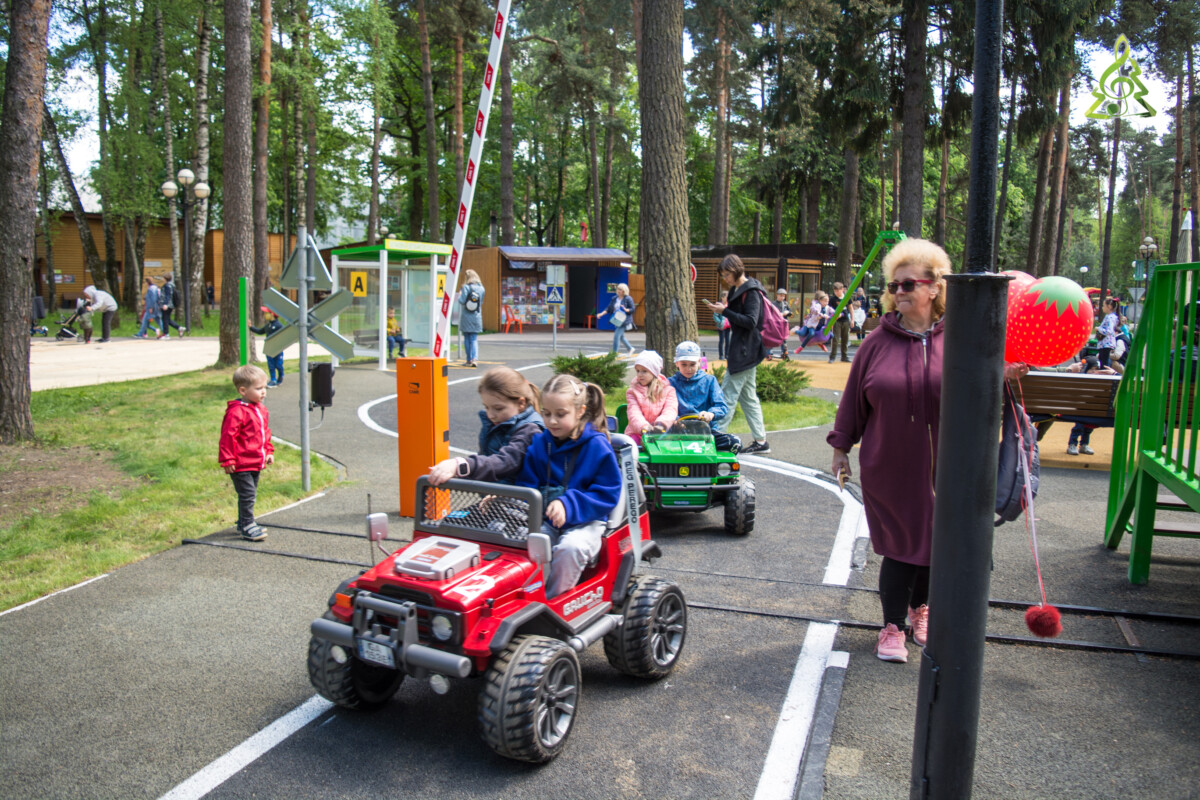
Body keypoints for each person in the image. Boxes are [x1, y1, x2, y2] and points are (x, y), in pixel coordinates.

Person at [826, 238, 950, 664]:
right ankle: (892, 625)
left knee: (934, 542)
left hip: (942, 468)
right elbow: (853, 402)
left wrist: (1003, 373)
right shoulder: (877, 342)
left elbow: (979, 391)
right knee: (900, 545)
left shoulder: (958, 341)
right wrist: (841, 448)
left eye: (909, 283)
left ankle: (923, 610)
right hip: (888, 465)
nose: (900, 291)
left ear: (934, 288)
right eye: (895, 285)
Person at [513, 374, 621, 598]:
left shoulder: (597, 445)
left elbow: (607, 493)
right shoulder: (540, 444)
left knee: (570, 548)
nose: (552, 421)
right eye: (546, 413)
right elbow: (527, 485)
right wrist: (508, 499)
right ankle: (528, 598)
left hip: (587, 521)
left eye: (560, 415)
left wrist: (567, 504)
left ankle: (553, 604)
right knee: (526, 541)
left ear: (580, 411)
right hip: (547, 521)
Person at [428, 367, 545, 485]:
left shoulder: (530, 429)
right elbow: (485, 459)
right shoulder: (496, 424)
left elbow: (505, 462)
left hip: (521, 499)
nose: (491, 415)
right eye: (486, 407)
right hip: (499, 495)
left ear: (521, 403)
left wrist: (462, 466)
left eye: (498, 408)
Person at [704, 254, 770, 455]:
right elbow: (736, 319)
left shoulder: (752, 291)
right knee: (748, 397)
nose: (725, 279)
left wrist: (724, 311)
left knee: (727, 395)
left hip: (745, 351)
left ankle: (714, 437)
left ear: (735, 270)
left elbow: (751, 321)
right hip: (744, 350)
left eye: (726, 274)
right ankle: (761, 441)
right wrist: (722, 310)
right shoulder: (737, 290)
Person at [219, 364, 275, 542]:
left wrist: (268, 450)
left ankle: (244, 522)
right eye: (258, 389)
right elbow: (228, 436)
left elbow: (264, 432)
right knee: (248, 494)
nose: (263, 392)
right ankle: (247, 525)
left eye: (264, 387)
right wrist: (227, 459)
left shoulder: (260, 409)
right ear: (243, 390)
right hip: (241, 463)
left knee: (250, 493)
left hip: (255, 462)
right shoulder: (237, 412)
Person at [668, 340, 740, 452]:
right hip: (678, 432)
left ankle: (718, 468)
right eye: (684, 364)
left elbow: (721, 406)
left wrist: (711, 413)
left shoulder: (709, 381)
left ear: (699, 362)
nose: (688, 369)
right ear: (677, 363)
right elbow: (664, 408)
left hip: (706, 432)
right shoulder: (670, 383)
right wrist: (673, 420)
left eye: (692, 364)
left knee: (735, 443)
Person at [624, 350, 678, 444]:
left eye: (644, 371)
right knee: (631, 446)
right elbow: (633, 413)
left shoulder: (668, 390)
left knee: (667, 449)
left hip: (661, 432)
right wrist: (643, 427)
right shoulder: (632, 391)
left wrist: (661, 424)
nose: (640, 374)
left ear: (654, 372)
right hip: (638, 432)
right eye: (638, 371)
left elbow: (670, 410)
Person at [596, 282, 636, 357]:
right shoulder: (614, 298)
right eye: (618, 289)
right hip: (617, 320)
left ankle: (614, 354)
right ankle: (630, 348)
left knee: (616, 336)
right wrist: (601, 314)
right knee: (621, 337)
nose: (618, 291)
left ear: (624, 291)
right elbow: (609, 308)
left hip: (624, 320)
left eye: (620, 289)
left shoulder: (628, 298)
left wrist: (627, 310)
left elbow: (633, 309)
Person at [249, 307, 285, 387]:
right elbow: (260, 331)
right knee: (271, 364)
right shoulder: (268, 325)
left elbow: (283, 336)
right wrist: (251, 327)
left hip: (277, 348)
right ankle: (273, 379)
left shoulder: (278, 325)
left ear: (272, 314)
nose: (265, 315)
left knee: (278, 364)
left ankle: (281, 376)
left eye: (266, 313)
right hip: (269, 348)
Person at [457, 269, 485, 367]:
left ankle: (468, 359)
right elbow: (480, 303)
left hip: (466, 315)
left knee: (467, 338)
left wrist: (460, 294)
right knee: (474, 338)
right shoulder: (481, 288)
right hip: (476, 316)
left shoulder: (466, 287)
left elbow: (461, 301)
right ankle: (475, 359)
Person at [828, 281, 852, 363]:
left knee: (845, 339)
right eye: (835, 291)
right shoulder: (832, 299)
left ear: (842, 289)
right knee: (835, 339)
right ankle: (832, 356)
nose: (837, 293)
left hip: (845, 320)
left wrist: (852, 319)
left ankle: (844, 356)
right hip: (836, 321)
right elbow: (829, 310)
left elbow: (850, 308)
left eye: (838, 290)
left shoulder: (847, 297)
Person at [769, 287, 793, 360]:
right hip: (776, 324)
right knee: (773, 338)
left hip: (783, 325)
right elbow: (770, 314)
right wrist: (780, 314)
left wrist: (788, 312)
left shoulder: (785, 304)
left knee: (784, 339)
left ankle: (784, 352)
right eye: (781, 295)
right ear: (777, 295)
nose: (782, 297)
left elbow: (790, 313)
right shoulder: (773, 304)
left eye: (783, 296)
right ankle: (769, 353)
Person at [1097, 297, 1120, 368]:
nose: (1102, 307)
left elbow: (1109, 331)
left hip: (1106, 345)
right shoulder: (1111, 317)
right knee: (1104, 364)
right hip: (1106, 344)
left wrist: (1098, 329)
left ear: (1109, 306)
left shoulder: (1110, 317)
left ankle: (1106, 378)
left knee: (1104, 365)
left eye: (1103, 305)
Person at [714, 290, 731, 360]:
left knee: (728, 341)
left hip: (728, 326)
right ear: (722, 297)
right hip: (721, 326)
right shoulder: (719, 305)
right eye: (727, 297)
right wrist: (720, 322)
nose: (728, 298)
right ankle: (721, 355)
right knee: (721, 341)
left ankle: (727, 355)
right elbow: (715, 316)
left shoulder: (729, 305)